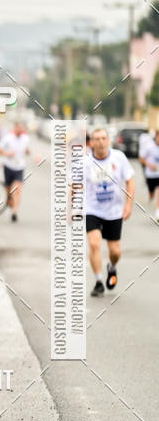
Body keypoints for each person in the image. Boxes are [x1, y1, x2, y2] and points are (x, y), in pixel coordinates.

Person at [86, 127, 135, 297]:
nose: (100, 141)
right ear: (91, 142)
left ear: (108, 140)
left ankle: (111, 268)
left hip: (114, 211)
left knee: (115, 251)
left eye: (103, 138)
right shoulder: (85, 161)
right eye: (97, 138)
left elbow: (130, 181)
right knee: (94, 243)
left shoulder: (119, 158)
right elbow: (75, 186)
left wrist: (128, 205)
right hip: (92, 209)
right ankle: (99, 281)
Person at [0, 123, 30, 222]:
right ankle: (9, 198)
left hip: (19, 167)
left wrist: (29, 153)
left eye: (21, 128)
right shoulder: (8, 138)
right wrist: (7, 153)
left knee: (17, 190)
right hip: (8, 166)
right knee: (8, 188)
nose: (20, 130)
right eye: (18, 128)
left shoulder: (25, 139)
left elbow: (27, 150)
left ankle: (15, 212)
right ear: (15, 128)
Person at [139, 129, 159, 216]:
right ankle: (151, 196)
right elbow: (142, 158)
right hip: (150, 175)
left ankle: (158, 211)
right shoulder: (149, 147)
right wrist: (149, 165)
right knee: (152, 194)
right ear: (156, 137)